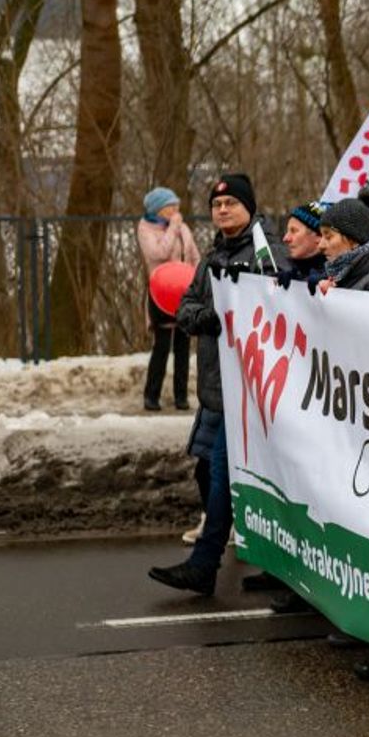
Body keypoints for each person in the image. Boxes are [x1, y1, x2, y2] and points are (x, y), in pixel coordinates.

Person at [147, 173, 287, 595]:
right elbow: (187, 304)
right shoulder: (212, 256)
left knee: (228, 473)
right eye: (216, 205)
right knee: (212, 469)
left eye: (231, 204)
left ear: (249, 207)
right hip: (219, 385)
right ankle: (266, 563)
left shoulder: (267, 252)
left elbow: (281, 308)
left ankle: (205, 564)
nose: (222, 210)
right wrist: (205, 318)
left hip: (254, 387)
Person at [136, 186, 200, 412]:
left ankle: (181, 397)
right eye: (170, 207)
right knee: (162, 346)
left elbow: (193, 255)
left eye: (176, 206)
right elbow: (158, 253)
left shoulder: (182, 227)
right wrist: (173, 228)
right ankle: (151, 396)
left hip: (183, 291)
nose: (175, 211)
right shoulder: (146, 228)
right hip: (161, 292)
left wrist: (196, 278)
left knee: (183, 346)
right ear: (158, 209)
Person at [281, 201, 327, 283]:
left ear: (319, 236)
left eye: (294, 231)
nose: (285, 238)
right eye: (287, 231)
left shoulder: (337, 279)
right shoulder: (285, 271)